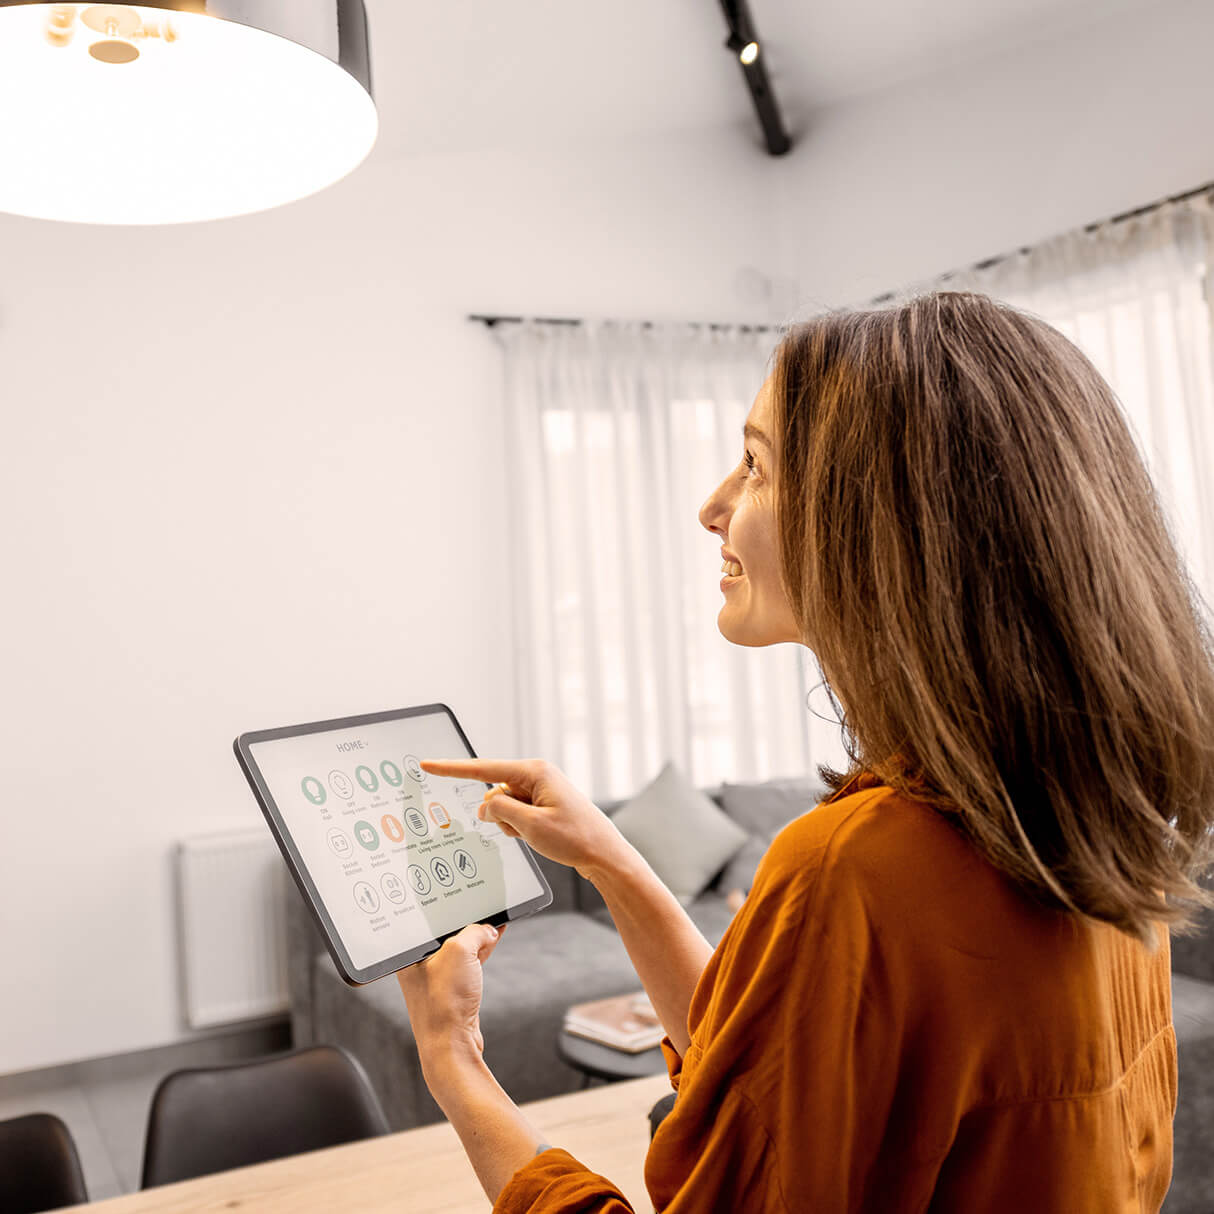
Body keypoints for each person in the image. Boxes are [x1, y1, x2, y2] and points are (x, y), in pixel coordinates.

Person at [398, 291, 1214, 1212]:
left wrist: (454, 1061)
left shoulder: (853, 873)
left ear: (885, 524)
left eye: (754, 465)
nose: (712, 508)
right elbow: (789, 1080)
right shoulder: (1099, 835)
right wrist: (611, 860)